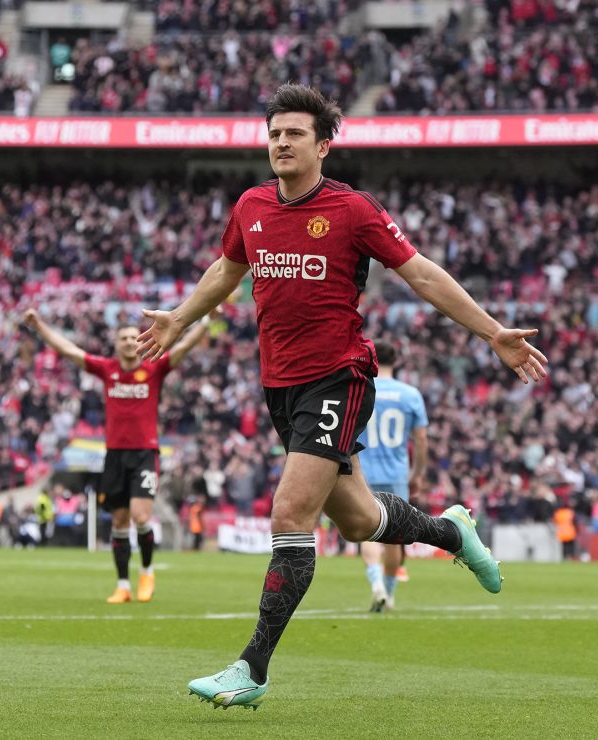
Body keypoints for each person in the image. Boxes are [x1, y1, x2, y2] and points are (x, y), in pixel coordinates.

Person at [137, 83, 547, 709]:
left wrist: (493, 331)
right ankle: (451, 532)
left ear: (324, 145)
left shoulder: (353, 210)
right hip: (280, 385)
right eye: (274, 133)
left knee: (289, 516)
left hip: (339, 376)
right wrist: (179, 318)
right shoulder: (250, 205)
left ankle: (252, 668)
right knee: (359, 520)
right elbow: (227, 270)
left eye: (294, 133)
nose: (280, 142)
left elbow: (422, 273)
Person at [22, 309, 213, 604]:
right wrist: (39, 325)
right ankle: (123, 585)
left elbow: (184, 346)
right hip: (114, 456)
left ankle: (147, 572)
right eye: (122, 337)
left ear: (140, 342)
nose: (128, 341)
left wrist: (209, 320)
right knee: (119, 522)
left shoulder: (154, 368)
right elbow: (67, 348)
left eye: (132, 337)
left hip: (145, 454)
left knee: (140, 516)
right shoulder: (106, 369)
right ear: (115, 343)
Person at [354, 342, 428, 612]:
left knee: (367, 532)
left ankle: (376, 585)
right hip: (397, 474)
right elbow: (421, 440)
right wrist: (416, 474)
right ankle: (390, 593)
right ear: (395, 361)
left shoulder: (361, 388)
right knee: (395, 535)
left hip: (364, 472)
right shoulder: (410, 395)